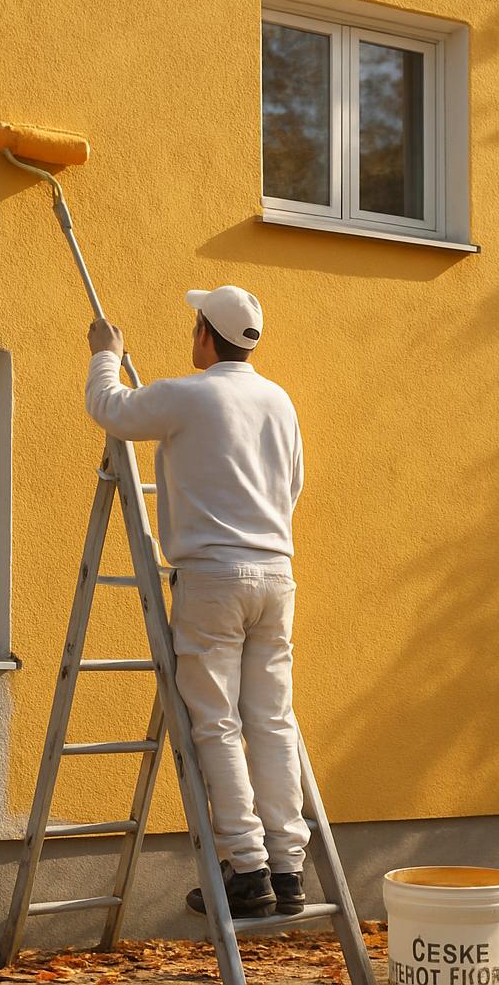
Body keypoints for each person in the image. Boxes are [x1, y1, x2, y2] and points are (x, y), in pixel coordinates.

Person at [84, 284, 309, 920]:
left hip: (212, 579)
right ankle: (289, 869)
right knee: (272, 720)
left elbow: (111, 409)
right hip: (275, 575)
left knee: (217, 723)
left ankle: (248, 871)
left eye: (195, 326)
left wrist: (105, 353)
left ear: (206, 334)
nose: (192, 336)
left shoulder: (187, 394)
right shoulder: (279, 400)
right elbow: (293, 484)